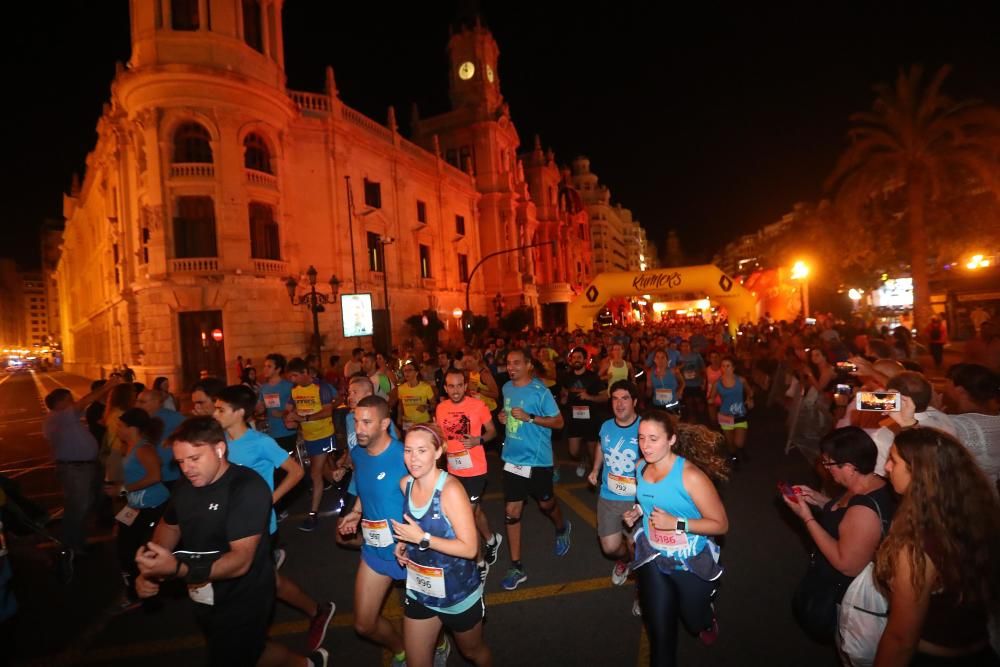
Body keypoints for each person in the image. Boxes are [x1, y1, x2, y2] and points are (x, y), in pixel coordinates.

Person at [134, 417, 326, 666]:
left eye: (194, 459)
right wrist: (151, 564)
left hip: (244, 593)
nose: (187, 468)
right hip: (203, 591)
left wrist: (178, 569)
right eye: (181, 462)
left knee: (229, 655)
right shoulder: (186, 486)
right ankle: (307, 664)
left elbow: (240, 561)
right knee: (248, 651)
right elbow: (169, 525)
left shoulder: (247, 488)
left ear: (219, 449)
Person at [214, 385, 336, 654]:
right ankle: (316, 611)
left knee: (254, 587)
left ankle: (306, 621)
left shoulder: (260, 443)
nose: (215, 412)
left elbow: (295, 471)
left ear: (240, 413)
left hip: (257, 527)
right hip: (227, 526)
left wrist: (268, 499)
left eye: (220, 409)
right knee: (266, 580)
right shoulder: (218, 440)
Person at [874, 428, 1000, 666]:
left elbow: (901, 639)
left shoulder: (915, 545)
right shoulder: (974, 517)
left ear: (920, 473)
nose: (886, 467)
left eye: (893, 460)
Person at [623, 411, 729, 666]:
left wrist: (676, 523)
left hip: (689, 560)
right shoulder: (639, 468)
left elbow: (720, 525)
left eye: (653, 439)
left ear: (671, 439)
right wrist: (637, 510)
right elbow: (649, 499)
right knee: (660, 638)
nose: (645, 446)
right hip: (655, 556)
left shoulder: (691, 476)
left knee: (694, 622)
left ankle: (706, 617)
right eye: (641, 439)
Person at [338, 396, 434, 666]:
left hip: (412, 553)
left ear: (385, 424)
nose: (359, 428)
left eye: (367, 422)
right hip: (375, 551)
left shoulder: (405, 457)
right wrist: (356, 513)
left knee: (429, 629)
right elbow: (363, 486)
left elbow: (432, 501)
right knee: (364, 625)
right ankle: (400, 648)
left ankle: (438, 644)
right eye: (356, 421)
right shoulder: (357, 453)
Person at [391, 424, 492, 667]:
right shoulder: (406, 484)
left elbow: (470, 548)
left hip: (457, 593)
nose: (413, 458)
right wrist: (404, 543)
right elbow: (416, 527)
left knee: (473, 653)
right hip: (420, 589)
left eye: (422, 451)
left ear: (439, 452)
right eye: (408, 450)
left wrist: (422, 539)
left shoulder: (451, 490)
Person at [783, 427, 896, 641]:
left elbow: (846, 563)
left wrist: (807, 517)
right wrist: (819, 499)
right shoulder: (869, 483)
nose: (826, 468)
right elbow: (846, 515)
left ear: (850, 467)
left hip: (838, 590)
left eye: (829, 463)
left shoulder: (865, 512)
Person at [496, 348, 570, 591]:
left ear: (529, 365)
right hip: (512, 460)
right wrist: (503, 417)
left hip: (538, 461)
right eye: (508, 363)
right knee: (511, 510)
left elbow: (559, 423)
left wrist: (530, 418)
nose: (511, 367)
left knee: (546, 504)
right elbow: (507, 413)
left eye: (517, 363)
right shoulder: (506, 388)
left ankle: (562, 527)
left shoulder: (541, 392)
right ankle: (516, 566)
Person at [435, 367, 502, 577]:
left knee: (465, 517)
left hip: (475, 470)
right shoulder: (441, 408)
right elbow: (442, 437)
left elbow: (493, 431)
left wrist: (477, 440)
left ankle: (480, 563)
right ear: (445, 388)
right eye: (451, 386)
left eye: (459, 385)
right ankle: (492, 540)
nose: (455, 390)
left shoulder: (477, 405)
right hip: (454, 470)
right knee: (476, 512)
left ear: (465, 386)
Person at [43, 380, 120, 556]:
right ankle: (72, 547)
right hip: (75, 470)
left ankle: (77, 542)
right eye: (70, 400)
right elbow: (84, 402)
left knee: (83, 506)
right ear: (61, 402)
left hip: (82, 468)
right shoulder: (59, 416)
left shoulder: (64, 419)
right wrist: (107, 387)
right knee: (78, 507)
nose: (74, 403)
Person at [114, 408, 169, 611]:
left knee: (145, 554)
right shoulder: (128, 447)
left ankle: (149, 599)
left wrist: (122, 488)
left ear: (132, 428)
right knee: (126, 552)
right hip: (136, 508)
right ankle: (137, 594)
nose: (117, 429)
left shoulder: (143, 448)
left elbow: (155, 476)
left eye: (121, 426)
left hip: (153, 508)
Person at [589, 380, 641, 587]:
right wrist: (595, 469)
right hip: (609, 496)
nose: (619, 404)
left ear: (635, 401)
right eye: (615, 399)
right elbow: (601, 447)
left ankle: (644, 594)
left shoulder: (645, 427)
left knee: (637, 547)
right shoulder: (606, 426)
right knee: (610, 548)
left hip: (638, 499)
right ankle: (624, 560)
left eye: (625, 398)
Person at [286, 357, 337, 532]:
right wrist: (290, 418)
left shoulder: (321, 387)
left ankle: (313, 515)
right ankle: (346, 486)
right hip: (308, 436)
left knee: (315, 473)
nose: (292, 379)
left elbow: (328, 410)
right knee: (325, 472)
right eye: (290, 376)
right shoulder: (294, 389)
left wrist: (304, 418)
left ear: (305, 373)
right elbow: (292, 409)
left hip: (324, 435)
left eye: (295, 375)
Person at [870, 371, 956, 476]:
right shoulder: (942, 417)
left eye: (888, 396)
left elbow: (881, 475)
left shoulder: (884, 435)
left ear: (897, 400)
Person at [256, 354, 300, 518]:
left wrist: (283, 413)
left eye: (269, 366)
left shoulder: (288, 386)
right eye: (265, 366)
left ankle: (282, 504)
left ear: (278, 369)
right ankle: (278, 504)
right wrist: (259, 408)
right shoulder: (264, 388)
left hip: (287, 432)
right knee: (273, 469)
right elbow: (260, 409)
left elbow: (295, 406)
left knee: (284, 469)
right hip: (271, 434)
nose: (265, 369)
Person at [943, 363, 1000, 485]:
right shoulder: (995, 420)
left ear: (959, 391)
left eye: (946, 383)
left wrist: (930, 411)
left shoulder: (956, 425)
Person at [560, 347, 607, 478]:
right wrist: (563, 398)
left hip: (591, 419)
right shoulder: (566, 377)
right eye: (574, 358)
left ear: (585, 360)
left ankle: (595, 473)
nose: (576, 360)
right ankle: (583, 458)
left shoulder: (593, 377)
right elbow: (563, 397)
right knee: (573, 452)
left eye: (579, 358)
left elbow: (605, 397)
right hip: (574, 419)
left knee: (593, 452)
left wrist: (589, 397)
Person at [707, 357, 753, 466]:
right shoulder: (717, 384)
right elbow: (711, 397)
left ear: (733, 368)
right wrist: (711, 400)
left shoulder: (741, 380)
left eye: (728, 366)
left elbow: (750, 391)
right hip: (725, 415)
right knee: (730, 442)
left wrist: (749, 399)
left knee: (739, 442)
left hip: (740, 414)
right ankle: (734, 457)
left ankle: (741, 450)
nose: (725, 368)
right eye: (723, 366)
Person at [135, 389, 184, 490]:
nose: (137, 405)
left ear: (157, 403)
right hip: (144, 475)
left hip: (168, 475)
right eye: (137, 401)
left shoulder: (173, 417)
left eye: (142, 402)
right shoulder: (138, 419)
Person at [102, 382, 137, 488]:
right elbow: (121, 440)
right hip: (120, 455)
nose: (135, 395)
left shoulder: (117, 412)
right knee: (121, 492)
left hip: (122, 454)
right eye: (133, 393)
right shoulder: (118, 415)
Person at [398, 362, 436, 431]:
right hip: (408, 423)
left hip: (423, 422)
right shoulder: (401, 388)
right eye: (405, 370)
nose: (406, 373)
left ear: (416, 373)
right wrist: (399, 418)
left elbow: (434, 404)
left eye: (409, 370)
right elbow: (400, 406)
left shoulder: (426, 387)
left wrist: (425, 406)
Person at [678, 340, 708, 424]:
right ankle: (692, 419)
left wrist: (703, 381)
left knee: (699, 402)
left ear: (690, 346)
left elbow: (703, 368)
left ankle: (702, 419)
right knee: (689, 402)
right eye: (683, 346)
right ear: (680, 347)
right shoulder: (678, 356)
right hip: (685, 384)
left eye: (686, 346)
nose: (685, 348)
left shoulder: (696, 355)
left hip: (697, 383)